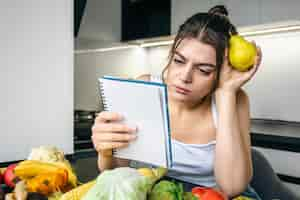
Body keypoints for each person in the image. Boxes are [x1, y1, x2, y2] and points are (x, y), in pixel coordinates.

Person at [91, 5, 262, 199]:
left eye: (204, 70)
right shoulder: (144, 88)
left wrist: (225, 92)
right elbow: (115, 171)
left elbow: (231, 188)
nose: (185, 77)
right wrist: (105, 151)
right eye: (179, 61)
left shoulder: (234, 99)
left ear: (221, 72)